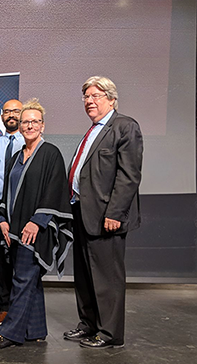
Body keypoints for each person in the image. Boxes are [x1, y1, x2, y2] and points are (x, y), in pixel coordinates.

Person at [0, 99, 73, 349]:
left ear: (42, 125)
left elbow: (55, 191)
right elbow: (6, 193)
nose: (29, 125)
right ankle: (35, 330)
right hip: (13, 230)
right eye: (25, 121)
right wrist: (1, 219)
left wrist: (37, 221)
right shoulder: (15, 156)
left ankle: (9, 333)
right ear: (20, 126)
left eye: (35, 121)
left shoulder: (50, 153)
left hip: (35, 231)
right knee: (29, 279)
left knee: (22, 279)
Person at [63, 76, 143, 349]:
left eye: (95, 95)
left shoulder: (124, 126)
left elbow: (128, 176)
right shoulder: (92, 130)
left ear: (111, 98)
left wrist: (115, 213)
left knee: (107, 278)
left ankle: (110, 334)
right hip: (82, 213)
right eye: (86, 96)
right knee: (85, 276)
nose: (89, 101)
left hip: (106, 217)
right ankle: (88, 325)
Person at [0, 99, 25, 326]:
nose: (11, 115)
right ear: (1, 116)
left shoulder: (30, 142)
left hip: (21, 207)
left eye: (16, 111)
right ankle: (3, 306)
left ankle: (20, 308)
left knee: (21, 260)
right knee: (1, 262)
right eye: (7, 111)